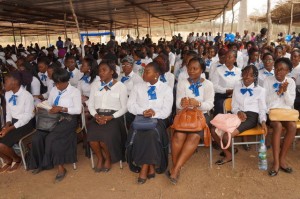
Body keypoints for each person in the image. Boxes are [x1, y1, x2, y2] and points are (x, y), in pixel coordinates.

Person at [29, 68, 82, 182]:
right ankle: (42, 164)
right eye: (55, 83)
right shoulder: (54, 90)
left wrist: (62, 108)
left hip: (68, 119)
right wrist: (42, 105)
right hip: (53, 117)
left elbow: (78, 110)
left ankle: (61, 168)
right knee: (37, 137)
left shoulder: (74, 91)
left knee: (52, 138)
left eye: (59, 83)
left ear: (66, 81)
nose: (57, 85)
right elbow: (50, 103)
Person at [168, 58, 214, 184]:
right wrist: (182, 103)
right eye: (189, 68)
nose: (191, 71)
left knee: (193, 137)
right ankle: (176, 167)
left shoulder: (208, 84)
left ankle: (176, 168)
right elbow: (178, 103)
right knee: (178, 136)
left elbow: (210, 104)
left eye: (195, 68)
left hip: (202, 115)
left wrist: (198, 103)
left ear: (202, 70)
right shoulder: (182, 83)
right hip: (185, 114)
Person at [127, 62, 173, 184]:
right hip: (140, 118)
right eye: (144, 71)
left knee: (151, 133)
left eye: (147, 72)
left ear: (156, 75)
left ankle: (144, 167)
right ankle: (150, 166)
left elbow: (166, 111)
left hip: (159, 119)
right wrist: (143, 111)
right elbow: (130, 106)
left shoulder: (166, 89)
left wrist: (154, 114)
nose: (144, 74)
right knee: (140, 132)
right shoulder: (137, 87)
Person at [211, 65, 267, 165]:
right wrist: (238, 112)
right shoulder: (237, 86)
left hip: (251, 117)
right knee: (213, 130)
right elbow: (234, 106)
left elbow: (262, 109)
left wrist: (263, 121)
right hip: (237, 115)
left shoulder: (260, 90)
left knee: (226, 137)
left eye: (250, 75)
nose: (247, 77)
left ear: (255, 77)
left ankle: (229, 154)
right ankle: (228, 153)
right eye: (245, 74)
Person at [87, 60, 128, 173]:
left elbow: (125, 107)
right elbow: (90, 105)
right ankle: (101, 158)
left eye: (104, 70)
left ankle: (108, 158)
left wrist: (111, 117)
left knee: (105, 138)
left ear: (112, 72)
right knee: (92, 139)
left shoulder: (120, 86)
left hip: (113, 118)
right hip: (98, 116)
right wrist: (95, 115)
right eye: (99, 70)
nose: (101, 73)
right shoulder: (95, 85)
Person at [263, 58, 296, 177]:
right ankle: (276, 162)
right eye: (276, 68)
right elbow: (265, 101)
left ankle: (282, 159)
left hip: (285, 112)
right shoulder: (267, 80)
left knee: (292, 126)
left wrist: (285, 91)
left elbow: (290, 102)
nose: (278, 71)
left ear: (288, 71)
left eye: (282, 69)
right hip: (271, 112)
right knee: (277, 126)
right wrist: (278, 92)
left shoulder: (291, 82)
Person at [0, 71, 35, 173]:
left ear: (14, 82)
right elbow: (9, 112)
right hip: (12, 123)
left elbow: (27, 116)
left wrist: (9, 129)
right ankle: (8, 160)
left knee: (1, 145)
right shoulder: (7, 93)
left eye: (5, 81)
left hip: (25, 124)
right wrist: (7, 125)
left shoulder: (26, 96)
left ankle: (17, 159)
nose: (3, 84)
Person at [211, 50, 241, 115]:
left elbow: (241, 85)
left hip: (235, 95)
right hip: (222, 95)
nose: (227, 59)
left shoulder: (239, 71)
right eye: (226, 57)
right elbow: (214, 86)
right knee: (221, 105)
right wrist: (226, 90)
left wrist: (235, 91)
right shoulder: (218, 70)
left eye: (229, 57)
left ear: (235, 59)